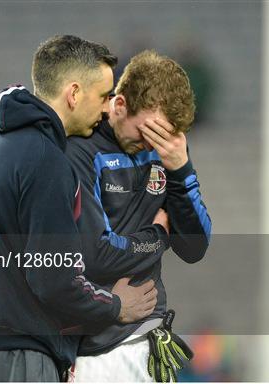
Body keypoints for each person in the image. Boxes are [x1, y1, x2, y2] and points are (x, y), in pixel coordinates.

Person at [0, 35, 159, 382]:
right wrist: (116, 305)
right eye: (105, 96)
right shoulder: (47, 159)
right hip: (18, 354)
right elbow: (53, 279)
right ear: (74, 94)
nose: (108, 109)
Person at [65, 50, 212, 381]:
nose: (152, 144)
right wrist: (157, 239)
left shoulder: (166, 152)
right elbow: (95, 255)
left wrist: (180, 168)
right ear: (119, 106)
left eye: (163, 136)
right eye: (147, 132)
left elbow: (194, 247)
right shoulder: (80, 150)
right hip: (94, 350)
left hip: (150, 343)